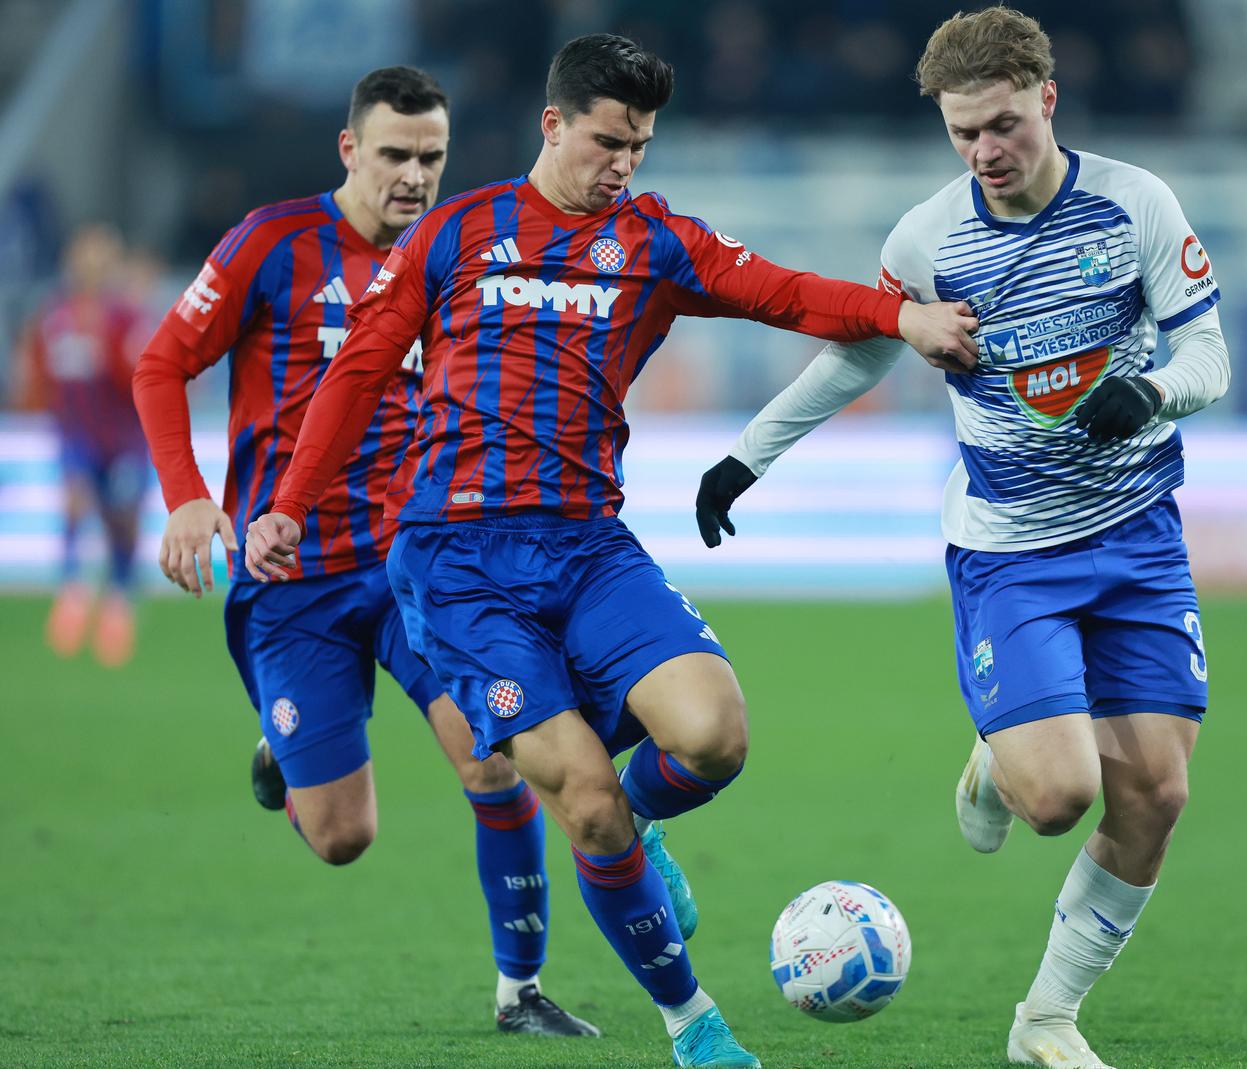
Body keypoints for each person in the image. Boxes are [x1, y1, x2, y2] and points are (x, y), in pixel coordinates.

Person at [242, 33, 978, 1069]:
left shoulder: (654, 240)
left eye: (638, 144)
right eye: (606, 141)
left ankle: (639, 822)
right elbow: (360, 368)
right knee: (578, 800)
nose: (623, 162)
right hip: (457, 564)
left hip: (588, 547)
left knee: (714, 731)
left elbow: (782, 292)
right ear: (553, 125)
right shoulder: (458, 231)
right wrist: (286, 504)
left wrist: (900, 315)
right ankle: (692, 1021)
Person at [694, 9, 1229, 1068]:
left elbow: (1207, 351)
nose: (985, 152)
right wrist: (747, 456)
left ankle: (1045, 1020)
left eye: (1000, 126)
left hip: (1137, 540)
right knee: (1056, 798)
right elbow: (860, 353)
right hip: (1010, 549)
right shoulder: (930, 240)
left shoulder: (1134, 208)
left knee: (1157, 794)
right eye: (961, 134)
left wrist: (1155, 392)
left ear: (1047, 100)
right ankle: (998, 753)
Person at [131, 66, 595, 1038]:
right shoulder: (273, 243)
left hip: (415, 566)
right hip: (289, 574)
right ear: (350, 149)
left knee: (494, 755)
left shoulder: (466, 253)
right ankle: (283, 750)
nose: (414, 176)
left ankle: (521, 992)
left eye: (431, 157)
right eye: (394, 155)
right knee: (343, 837)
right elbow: (162, 361)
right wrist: (185, 497)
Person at [18, 224, 148, 667]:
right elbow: (40, 371)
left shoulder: (127, 319)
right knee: (74, 502)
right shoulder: (56, 316)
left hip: (125, 438)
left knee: (122, 524)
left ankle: (118, 603)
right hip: (76, 435)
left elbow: (139, 377)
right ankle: (72, 590)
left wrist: (106, 345)